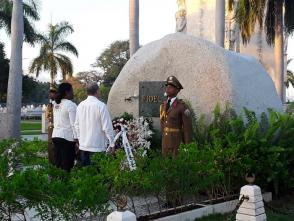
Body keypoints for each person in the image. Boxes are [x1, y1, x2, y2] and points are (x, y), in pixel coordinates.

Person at [75, 83, 115, 166]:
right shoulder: (101, 106)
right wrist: (112, 143)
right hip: (97, 146)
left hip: (84, 147)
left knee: (87, 175)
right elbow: (107, 127)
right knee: (98, 175)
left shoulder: (80, 106)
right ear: (97, 91)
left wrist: (80, 140)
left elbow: (76, 125)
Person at [160, 75, 193, 156]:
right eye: (167, 86)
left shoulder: (182, 106)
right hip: (165, 141)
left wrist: (187, 146)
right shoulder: (163, 105)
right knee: (165, 164)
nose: (168, 89)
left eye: (171, 87)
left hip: (176, 141)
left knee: (175, 164)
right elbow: (163, 123)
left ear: (177, 90)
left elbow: (187, 128)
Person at [52, 83, 78, 172]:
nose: (73, 93)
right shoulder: (71, 104)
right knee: (67, 165)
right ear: (67, 92)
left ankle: (57, 184)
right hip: (67, 138)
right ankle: (65, 184)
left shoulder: (55, 104)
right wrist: (77, 139)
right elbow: (74, 124)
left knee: (58, 163)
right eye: (72, 91)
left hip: (56, 136)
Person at [46, 84, 57, 165]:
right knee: (50, 147)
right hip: (50, 127)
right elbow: (47, 116)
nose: (50, 94)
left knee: (55, 146)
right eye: (50, 93)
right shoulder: (49, 105)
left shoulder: (58, 104)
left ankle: (56, 164)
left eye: (53, 92)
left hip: (56, 127)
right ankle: (51, 164)